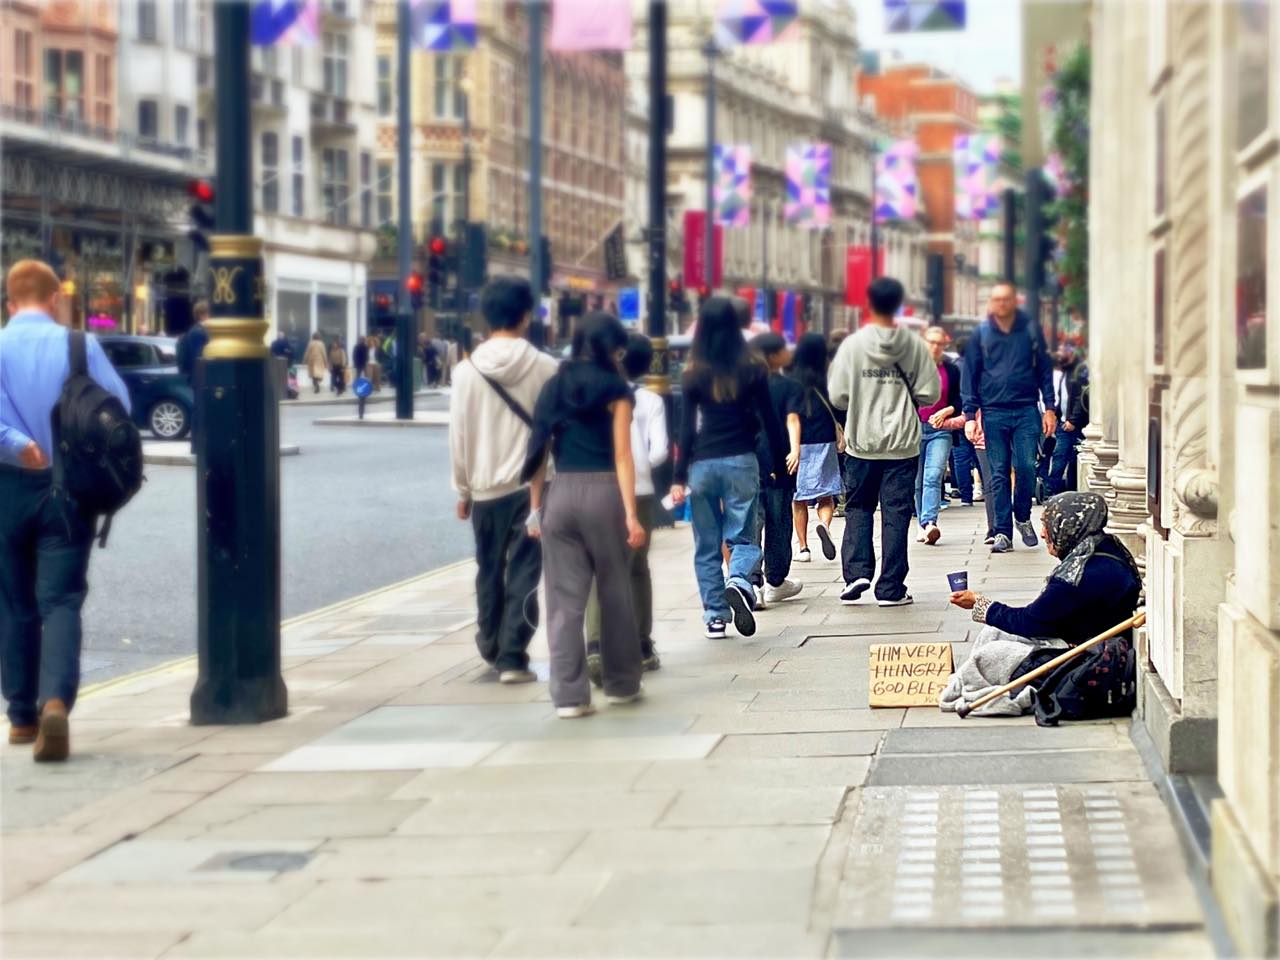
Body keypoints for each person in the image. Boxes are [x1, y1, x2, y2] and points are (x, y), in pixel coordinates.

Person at [0, 260, 131, 762]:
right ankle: (55, 700)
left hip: (7, 490)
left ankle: (20, 717)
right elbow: (117, 410)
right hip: (67, 490)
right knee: (61, 602)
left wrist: (14, 443)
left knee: (14, 603)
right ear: (54, 298)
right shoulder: (81, 346)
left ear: (11, 303)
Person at [524, 312, 645, 719]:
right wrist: (631, 514)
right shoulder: (616, 389)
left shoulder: (554, 387)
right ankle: (622, 683)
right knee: (613, 592)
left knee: (563, 603)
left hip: (561, 496)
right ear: (612, 348)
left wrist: (534, 509)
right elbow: (623, 455)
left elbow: (538, 451)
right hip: (605, 492)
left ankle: (569, 697)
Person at [449, 277, 558, 684]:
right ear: (526, 315)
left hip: (484, 488)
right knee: (527, 571)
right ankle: (513, 654)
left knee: (488, 567)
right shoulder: (546, 368)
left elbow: (458, 436)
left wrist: (462, 489)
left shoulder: (465, 372)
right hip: (533, 488)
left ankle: (490, 641)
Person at [671, 297, 787, 639]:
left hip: (703, 464)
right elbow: (770, 422)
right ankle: (738, 581)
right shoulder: (753, 370)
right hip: (741, 461)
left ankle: (715, 618)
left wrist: (679, 476)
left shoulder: (693, 374)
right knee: (744, 536)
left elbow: (685, 429)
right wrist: (778, 465)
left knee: (706, 544)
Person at [828, 276, 940, 607]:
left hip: (862, 442)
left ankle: (857, 573)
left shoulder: (852, 345)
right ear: (898, 305)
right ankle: (890, 587)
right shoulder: (915, 346)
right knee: (896, 513)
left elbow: (837, 394)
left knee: (860, 507)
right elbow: (930, 393)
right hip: (903, 444)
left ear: (869, 304)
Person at [949, 491, 1142, 645]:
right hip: (1090, 640)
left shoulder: (1080, 575)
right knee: (993, 635)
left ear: (1066, 525)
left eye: (1047, 525)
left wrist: (979, 604)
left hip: (1083, 654)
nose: (1043, 534)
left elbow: (1030, 621)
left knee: (993, 647)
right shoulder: (1106, 547)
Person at [584, 333, 668, 682]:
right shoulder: (649, 400)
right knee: (636, 568)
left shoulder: (591, 396)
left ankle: (595, 646)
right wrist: (643, 466)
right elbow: (660, 450)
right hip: (640, 491)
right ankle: (641, 645)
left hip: (599, 488)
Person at [961, 280, 1057, 554]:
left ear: (1015, 301)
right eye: (996, 300)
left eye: (1006, 299)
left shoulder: (1029, 330)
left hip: (1026, 408)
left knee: (1027, 466)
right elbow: (970, 375)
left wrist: (1049, 407)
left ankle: (1022, 515)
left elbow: (1044, 371)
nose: (1001, 304)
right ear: (991, 303)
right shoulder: (981, 334)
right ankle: (1003, 532)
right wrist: (970, 414)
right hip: (993, 412)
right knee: (999, 472)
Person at [748, 332, 803, 603]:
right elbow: (793, 420)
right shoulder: (787, 386)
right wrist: (795, 449)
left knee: (751, 522)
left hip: (747, 460)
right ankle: (775, 579)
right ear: (773, 355)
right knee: (779, 521)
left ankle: (752, 583)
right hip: (778, 460)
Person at [790, 332, 842, 563]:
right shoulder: (830, 378)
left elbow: (788, 415)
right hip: (825, 440)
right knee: (826, 493)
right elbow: (841, 408)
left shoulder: (791, 379)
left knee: (798, 498)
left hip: (798, 442)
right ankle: (824, 524)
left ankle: (803, 548)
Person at [914, 326, 966, 545]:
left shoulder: (951, 371)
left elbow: (958, 401)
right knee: (916, 480)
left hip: (940, 430)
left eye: (940, 343)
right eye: (931, 342)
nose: (935, 347)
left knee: (933, 476)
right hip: (913, 430)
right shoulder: (911, 369)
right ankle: (921, 524)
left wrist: (947, 411)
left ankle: (929, 523)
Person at [1041, 345, 1089, 496]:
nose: (1059, 354)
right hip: (1064, 423)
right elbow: (1064, 399)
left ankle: (1062, 490)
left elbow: (1080, 398)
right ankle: (1052, 491)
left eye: (1063, 351)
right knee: (1059, 458)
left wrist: (1073, 420)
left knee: (1067, 459)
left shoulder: (1079, 372)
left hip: (1074, 425)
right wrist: (1055, 414)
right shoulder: (1067, 373)